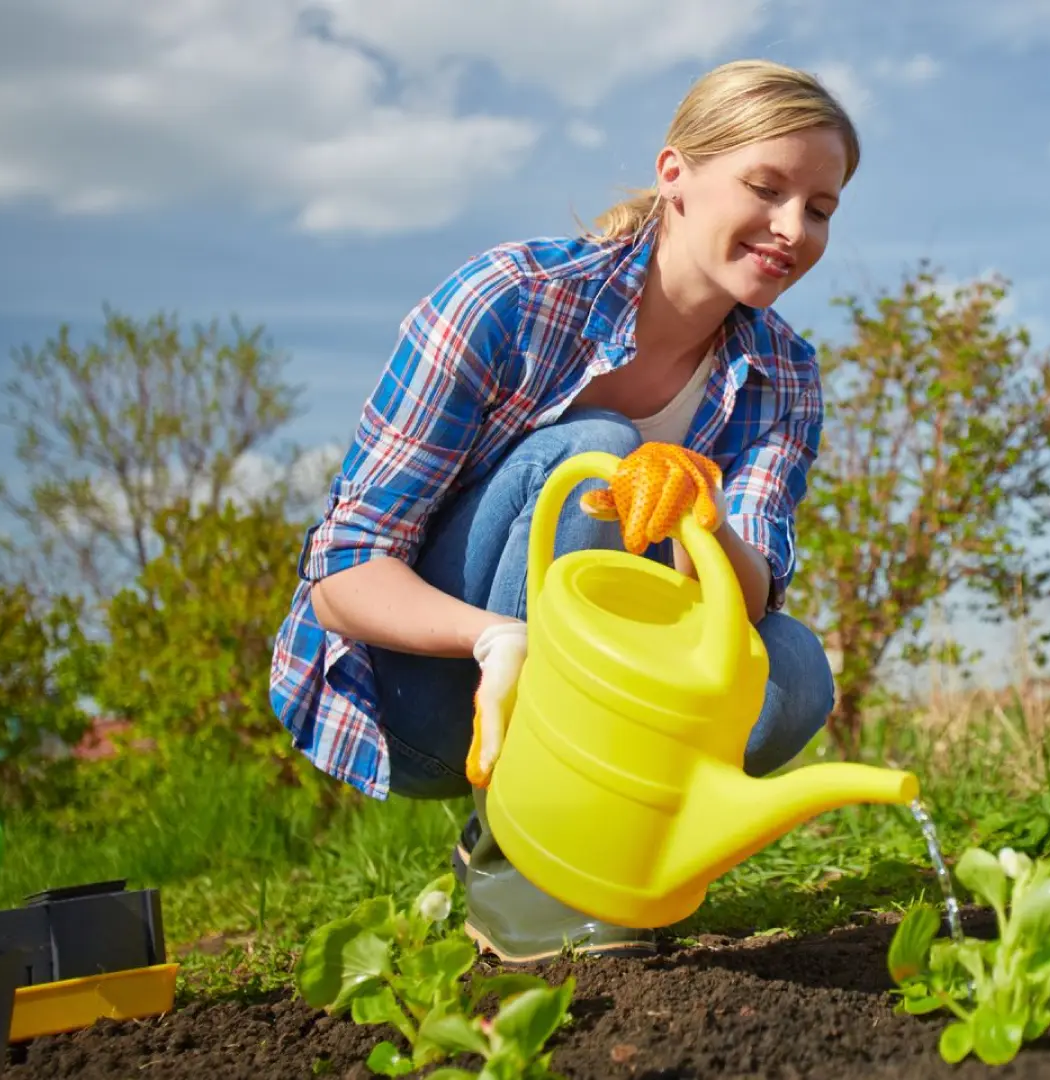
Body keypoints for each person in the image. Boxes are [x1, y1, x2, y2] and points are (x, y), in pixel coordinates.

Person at [270, 59, 859, 963]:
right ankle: (518, 857)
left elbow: (746, 600)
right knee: (594, 454)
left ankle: (591, 843)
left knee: (794, 671)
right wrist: (500, 639)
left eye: (818, 208)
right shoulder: (509, 301)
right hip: (439, 695)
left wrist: (700, 517)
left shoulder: (784, 375)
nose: (791, 228)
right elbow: (343, 576)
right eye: (766, 188)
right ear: (676, 177)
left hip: (598, 699)